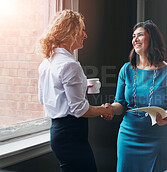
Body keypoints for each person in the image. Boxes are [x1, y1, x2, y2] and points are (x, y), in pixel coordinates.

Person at [38, 10, 114, 172]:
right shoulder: (70, 65)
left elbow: (44, 99)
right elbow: (80, 110)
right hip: (72, 136)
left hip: (58, 133)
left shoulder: (47, 63)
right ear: (71, 32)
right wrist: (104, 109)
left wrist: (81, 88)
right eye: (82, 30)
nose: (85, 35)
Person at [109, 20, 167, 172]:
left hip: (159, 139)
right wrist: (109, 109)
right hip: (128, 136)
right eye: (133, 36)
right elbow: (119, 103)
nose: (135, 39)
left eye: (140, 35)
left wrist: (166, 118)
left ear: (152, 39)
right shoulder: (126, 70)